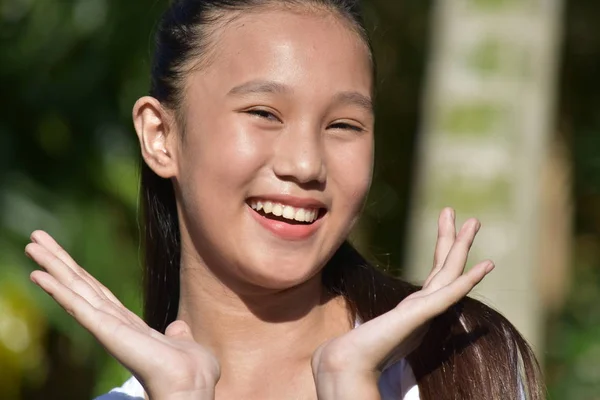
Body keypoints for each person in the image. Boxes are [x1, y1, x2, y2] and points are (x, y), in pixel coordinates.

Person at [24, 0, 544, 399]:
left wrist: (350, 385)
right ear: (161, 135)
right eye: (263, 113)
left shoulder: (457, 363)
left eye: (344, 125)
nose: (305, 165)